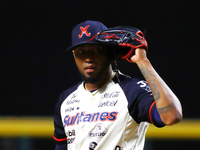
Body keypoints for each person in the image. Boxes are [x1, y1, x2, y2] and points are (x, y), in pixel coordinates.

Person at [53, 20, 182, 150]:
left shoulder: (133, 90)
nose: (88, 58)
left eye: (96, 49)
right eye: (81, 51)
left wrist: (143, 61)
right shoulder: (66, 99)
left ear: (109, 52)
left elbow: (171, 116)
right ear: (74, 55)